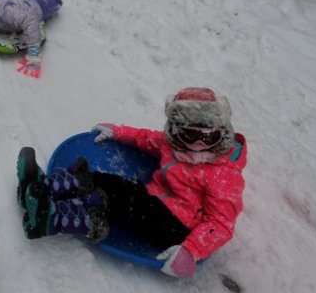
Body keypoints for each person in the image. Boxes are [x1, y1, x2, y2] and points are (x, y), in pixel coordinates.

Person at [16, 87, 247, 279]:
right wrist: (118, 132)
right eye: (189, 135)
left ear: (222, 133)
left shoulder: (224, 174)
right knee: (106, 181)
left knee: (119, 202)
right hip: (152, 198)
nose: (197, 146)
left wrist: (191, 250)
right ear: (176, 130)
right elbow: (146, 139)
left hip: (178, 229)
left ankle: (52, 217)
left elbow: (222, 223)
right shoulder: (172, 145)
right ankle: (43, 187)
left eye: (207, 138)